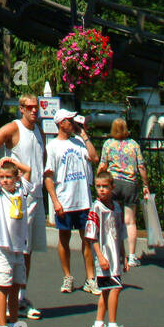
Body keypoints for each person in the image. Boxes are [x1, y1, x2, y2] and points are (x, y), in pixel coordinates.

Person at [0, 92, 46, 319]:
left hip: (36, 194)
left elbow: (41, 161)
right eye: (29, 107)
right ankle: (11, 302)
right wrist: (5, 171)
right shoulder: (13, 128)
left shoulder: (39, 130)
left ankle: (20, 298)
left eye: (36, 107)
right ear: (21, 108)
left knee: (28, 251)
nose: (34, 111)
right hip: (21, 198)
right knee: (19, 248)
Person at [44, 108, 98, 296]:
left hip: (83, 199)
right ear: (61, 123)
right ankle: (67, 276)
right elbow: (48, 177)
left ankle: (90, 279)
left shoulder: (79, 143)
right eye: (69, 120)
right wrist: (55, 201)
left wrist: (83, 134)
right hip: (65, 200)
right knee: (64, 239)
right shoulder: (52, 147)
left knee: (87, 240)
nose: (72, 123)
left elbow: (94, 157)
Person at [0, 155, 31, 327]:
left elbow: (28, 170)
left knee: (15, 288)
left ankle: (14, 325)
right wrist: (1, 161)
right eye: (2, 177)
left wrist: (13, 163)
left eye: (8, 177)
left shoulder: (22, 191)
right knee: (3, 288)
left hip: (18, 247)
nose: (5, 180)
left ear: (16, 178)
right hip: (3, 248)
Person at [97, 117, 150, 269]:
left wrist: (98, 178)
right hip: (129, 183)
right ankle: (132, 255)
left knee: (110, 216)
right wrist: (145, 184)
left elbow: (103, 164)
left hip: (113, 183)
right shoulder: (133, 145)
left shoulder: (108, 144)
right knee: (130, 221)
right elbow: (141, 167)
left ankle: (110, 250)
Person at [86, 170, 126, 327]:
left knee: (107, 291)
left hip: (115, 258)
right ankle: (112, 325)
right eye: (98, 186)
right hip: (104, 258)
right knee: (115, 288)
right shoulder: (96, 208)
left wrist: (124, 255)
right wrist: (100, 257)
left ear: (112, 187)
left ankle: (98, 324)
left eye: (105, 186)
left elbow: (121, 233)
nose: (101, 189)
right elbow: (91, 236)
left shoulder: (116, 208)